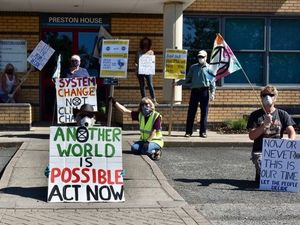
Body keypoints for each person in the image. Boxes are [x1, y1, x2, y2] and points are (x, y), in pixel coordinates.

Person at [247, 85, 296, 184]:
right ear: (261, 98)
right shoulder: (255, 115)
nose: (267, 97)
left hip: (277, 152)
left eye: (271, 95)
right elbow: (252, 136)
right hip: (260, 151)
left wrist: (290, 141)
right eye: (264, 95)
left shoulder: (283, 114)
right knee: (264, 175)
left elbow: (291, 131)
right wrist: (264, 125)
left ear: (276, 97)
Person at [176, 50, 216, 138]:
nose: (200, 58)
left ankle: (203, 132)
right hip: (194, 91)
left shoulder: (210, 68)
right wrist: (178, 82)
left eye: (202, 57)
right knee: (191, 112)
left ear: (206, 57)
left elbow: (212, 82)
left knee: (204, 112)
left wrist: (212, 93)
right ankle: (188, 132)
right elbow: (188, 79)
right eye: (199, 57)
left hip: (204, 91)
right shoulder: (193, 67)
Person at [135, 37, 158, 105]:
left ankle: (154, 100)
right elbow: (135, 61)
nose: (145, 44)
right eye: (144, 42)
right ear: (142, 43)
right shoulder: (139, 51)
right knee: (142, 85)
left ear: (149, 44)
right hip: (140, 70)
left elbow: (152, 62)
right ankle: (144, 100)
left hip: (148, 71)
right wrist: (136, 65)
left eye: (147, 43)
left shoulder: (151, 52)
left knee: (150, 84)